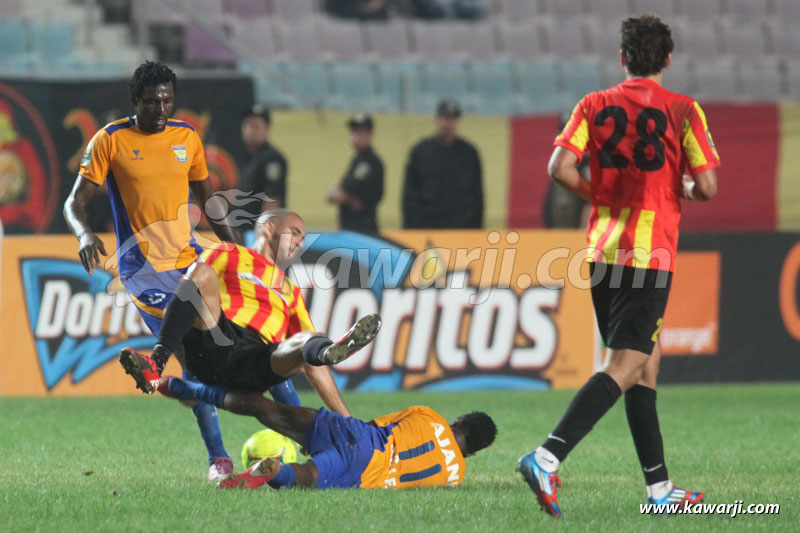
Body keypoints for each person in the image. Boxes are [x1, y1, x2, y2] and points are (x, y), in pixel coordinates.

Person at [517, 15, 720, 518]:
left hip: (604, 251)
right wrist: (682, 189)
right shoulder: (683, 110)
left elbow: (559, 168)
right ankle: (546, 456)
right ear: (667, 61)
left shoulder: (593, 104)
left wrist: (602, 193)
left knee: (645, 365)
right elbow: (709, 186)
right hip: (649, 254)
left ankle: (660, 490)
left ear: (623, 58)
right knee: (627, 364)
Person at [62, 61, 280, 481]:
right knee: (193, 361)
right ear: (135, 102)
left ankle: (307, 434)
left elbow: (211, 202)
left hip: (193, 259)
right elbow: (74, 203)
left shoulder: (187, 137)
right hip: (144, 273)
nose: (161, 108)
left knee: (260, 335)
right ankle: (219, 460)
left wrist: (237, 252)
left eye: (167, 99)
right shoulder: (109, 141)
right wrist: (84, 235)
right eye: (151, 101)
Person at [118, 208, 369, 416]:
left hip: (258, 361)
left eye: (302, 239)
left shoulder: (290, 290)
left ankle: (327, 351)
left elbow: (313, 368)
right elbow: (190, 292)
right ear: (269, 228)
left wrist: (347, 418)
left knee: (308, 339)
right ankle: (157, 362)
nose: (299, 243)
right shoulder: (230, 253)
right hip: (218, 340)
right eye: (295, 233)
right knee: (201, 273)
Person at [159, 377, 497, 490]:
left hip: (357, 433)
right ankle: (274, 471)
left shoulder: (429, 415)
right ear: (473, 452)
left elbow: (378, 426)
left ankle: (184, 387)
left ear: (459, 421)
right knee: (306, 476)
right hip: (366, 467)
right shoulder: (456, 475)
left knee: (268, 409)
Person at [402, 99, 483, 229]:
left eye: (453, 119)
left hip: (460, 230)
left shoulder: (469, 154)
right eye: (445, 118)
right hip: (426, 228)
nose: (448, 124)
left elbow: (477, 196)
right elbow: (409, 195)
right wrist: (410, 227)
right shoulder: (421, 152)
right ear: (437, 120)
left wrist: (476, 229)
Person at [326, 113, 384, 235]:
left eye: (360, 132)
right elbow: (336, 194)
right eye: (353, 132)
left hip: (363, 232)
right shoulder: (357, 161)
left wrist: (345, 196)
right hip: (351, 230)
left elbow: (349, 188)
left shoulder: (371, 162)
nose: (356, 136)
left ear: (370, 134)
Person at [239, 105, 288, 224]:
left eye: (256, 127)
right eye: (247, 125)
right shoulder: (247, 157)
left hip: (257, 232)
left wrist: (263, 231)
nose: (250, 131)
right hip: (242, 230)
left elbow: (273, 199)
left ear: (266, 129)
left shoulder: (272, 159)